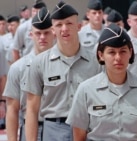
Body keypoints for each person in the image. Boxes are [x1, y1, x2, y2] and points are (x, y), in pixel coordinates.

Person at [66, 23, 137, 141]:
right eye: (111, 52)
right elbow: (79, 136)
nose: (118, 58)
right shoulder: (86, 90)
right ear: (101, 55)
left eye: (123, 51)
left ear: (130, 52)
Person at [23, 1, 101, 141]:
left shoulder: (95, 62)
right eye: (59, 25)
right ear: (53, 30)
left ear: (78, 26)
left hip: (88, 129)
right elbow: (32, 110)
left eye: (69, 23)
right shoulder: (40, 63)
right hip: (54, 131)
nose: (64, 28)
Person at [3, 7, 54, 141]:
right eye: (38, 33)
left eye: (46, 33)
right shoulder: (18, 68)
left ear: (54, 33)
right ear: (31, 34)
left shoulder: (64, 65)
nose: (42, 37)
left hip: (58, 130)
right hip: (30, 129)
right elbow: (12, 110)